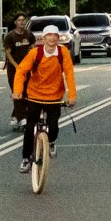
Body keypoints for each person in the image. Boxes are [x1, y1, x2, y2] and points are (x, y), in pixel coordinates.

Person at [10, 23, 76, 173]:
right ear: (43, 38)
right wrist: (18, 91)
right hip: (35, 96)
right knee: (29, 127)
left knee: (53, 126)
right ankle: (26, 159)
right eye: (49, 36)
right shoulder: (35, 53)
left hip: (54, 97)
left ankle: (51, 142)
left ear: (58, 38)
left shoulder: (62, 52)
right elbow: (21, 71)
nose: (52, 38)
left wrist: (72, 96)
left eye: (55, 36)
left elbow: (69, 73)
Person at [3, 15, 34, 131]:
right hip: (14, 70)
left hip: (27, 69)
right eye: (19, 20)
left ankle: (15, 116)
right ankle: (22, 119)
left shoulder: (29, 35)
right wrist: (16, 66)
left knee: (27, 93)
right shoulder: (10, 36)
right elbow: (8, 53)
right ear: (15, 22)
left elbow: (33, 49)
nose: (21, 22)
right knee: (17, 92)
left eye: (23, 20)